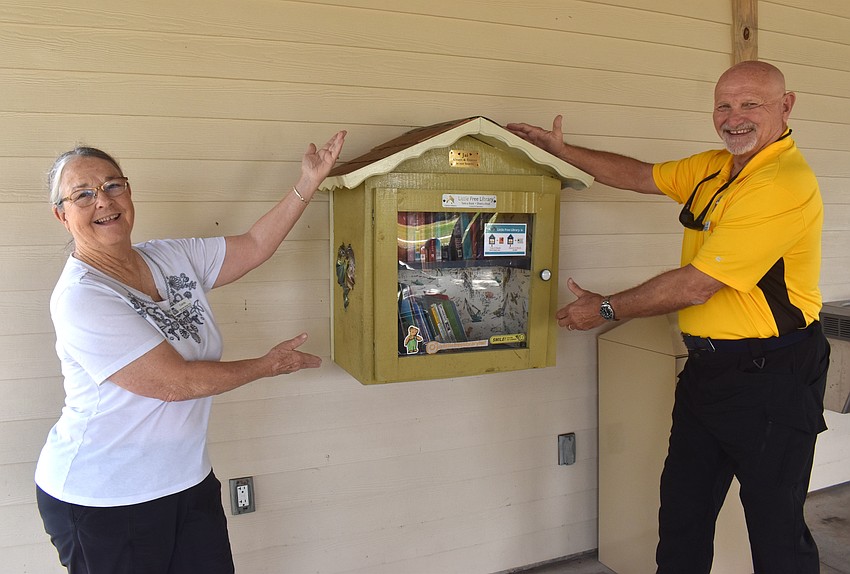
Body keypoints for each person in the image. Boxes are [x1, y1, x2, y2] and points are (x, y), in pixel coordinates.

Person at [507, 60, 830, 573]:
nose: (734, 117)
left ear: (786, 106)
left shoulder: (781, 182)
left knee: (775, 524)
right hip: (709, 369)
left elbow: (699, 283)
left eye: (751, 104)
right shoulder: (716, 167)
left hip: (774, 374)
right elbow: (639, 176)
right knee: (683, 509)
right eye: (724, 104)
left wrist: (607, 307)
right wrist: (563, 153)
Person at [35, 129, 346, 574]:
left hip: (185, 482)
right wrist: (267, 366)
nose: (103, 201)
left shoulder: (169, 257)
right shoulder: (82, 297)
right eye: (82, 194)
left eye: (112, 185)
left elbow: (255, 247)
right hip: (104, 498)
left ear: (128, 192)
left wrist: (308, 183)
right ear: (62, 216)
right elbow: (174, 384)